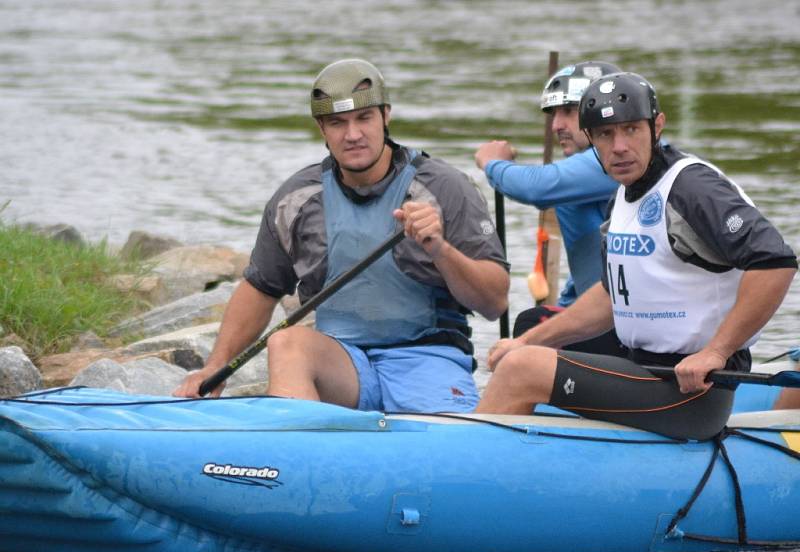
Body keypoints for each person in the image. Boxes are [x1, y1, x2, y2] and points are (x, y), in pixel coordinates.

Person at [174, 58, 510, 413]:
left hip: (426, 358)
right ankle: (301, 456)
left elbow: (495, 302)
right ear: (322, 128)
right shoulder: (297, 198)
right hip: (342, 363)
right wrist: (215, 366)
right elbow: (261, 288)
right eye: (338, 123)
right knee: (285, 343)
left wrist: (440, 249)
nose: (352, 135)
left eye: (364, 118)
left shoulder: (446, 188)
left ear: (386, 115)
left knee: (445, 446)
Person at [476, 71, 797, 440]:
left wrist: (716, 352)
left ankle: (456, 474)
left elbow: (775, 262)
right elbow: (610, 296)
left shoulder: (691, 188)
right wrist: (528, 341)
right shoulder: (626, 193)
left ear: (656, 126)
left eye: (631, 130)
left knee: (521, 369)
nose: (619, 147)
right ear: (591, 140)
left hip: (692, 394)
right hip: (643, 371)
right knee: (528, 341)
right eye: (605, 135)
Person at [474, 60, 625, 355]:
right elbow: (589, 266)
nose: (556, 125)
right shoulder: (586, 170)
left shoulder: (618, 157)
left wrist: (494, 163)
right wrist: (567, 308)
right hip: (606, 315)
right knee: (542, 322)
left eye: (568, 112)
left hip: (631, 326)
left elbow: (538, 188)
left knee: (531, 324)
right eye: (554, 114)